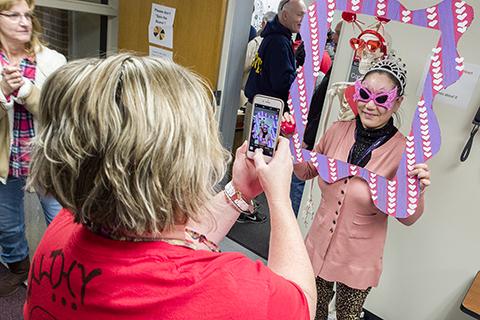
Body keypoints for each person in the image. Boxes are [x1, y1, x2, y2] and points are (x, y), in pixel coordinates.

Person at [24, 53, 317, 320]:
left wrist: (238, 191)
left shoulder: (61, 231)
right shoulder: (230, 290)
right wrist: (280, 197)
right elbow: (300, 303)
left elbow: (162, 238)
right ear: (179, 169)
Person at [292, 55, 431, 319]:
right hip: (318, 245)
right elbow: (305, 171)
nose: (369, 105)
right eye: (364, 95)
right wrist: (294, 141)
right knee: (312, 309)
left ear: (397, 102)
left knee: (348, 316)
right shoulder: (337, 130)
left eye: (382, 99)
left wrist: (418, 190)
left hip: (358, 260)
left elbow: (408, 217)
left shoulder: (404, 152)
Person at [0, 0, 66, 297]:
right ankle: (19, 269)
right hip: (5, 162)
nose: (24, 21)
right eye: (13, 15)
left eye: (28, 15)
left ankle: (64, 273)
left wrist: (24, 90)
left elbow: (59, 112)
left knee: (62, 222)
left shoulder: (52, 61)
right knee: (7, 226)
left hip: (46, 160)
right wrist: (2, 92)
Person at [244, 0, 307, 113]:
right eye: (299, 14)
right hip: (266, 111)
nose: (303, 20)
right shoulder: (279, 42)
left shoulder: (273, 37)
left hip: (259, 106)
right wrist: (300, 77)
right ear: (285, 15)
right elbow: (281, 83)